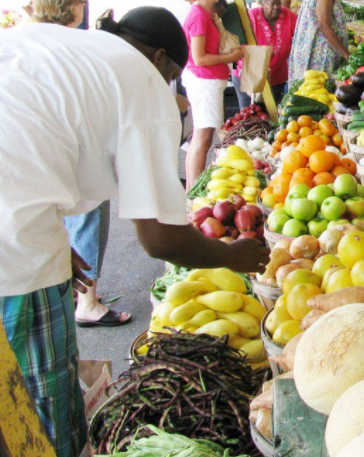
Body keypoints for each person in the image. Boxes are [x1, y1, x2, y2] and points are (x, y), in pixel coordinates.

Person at [0, 8, 270, 457]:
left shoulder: (54, 43)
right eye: (172, 75)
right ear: (161, 58)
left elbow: (27, 140)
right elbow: (159, 239)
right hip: (13, 247)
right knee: (40, 402)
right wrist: (233, 257)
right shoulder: (141, 80)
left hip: (16, 221)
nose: (170, 86)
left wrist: (46, 231)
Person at [31, 0, 132, 328]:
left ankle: (70, 291)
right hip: (74, 150)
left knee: (57, 223)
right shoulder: (75, 46)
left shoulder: (27, 41)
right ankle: (88, 302)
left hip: (38, 153)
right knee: (89, 217)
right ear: (75, 7)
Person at [182, 0, 244, 189]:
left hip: (207, 82)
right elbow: (199, 58)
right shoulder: (199, 15)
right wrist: (230, 58)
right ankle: (193, 193)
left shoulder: (205, 13)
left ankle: (190, 192)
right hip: (205, 83)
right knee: (203, 139)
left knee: (200, 138)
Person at [232, 0, 297, 109]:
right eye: (272, 4)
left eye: (278, 3)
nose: (276, 7)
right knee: (250, 112)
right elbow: (237, 44)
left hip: (276, 75)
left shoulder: (289, 16)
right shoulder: (250, 17)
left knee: (273, 113)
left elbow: (300, 37)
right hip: (250, 74)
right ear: (261, 3)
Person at [288, 0, 350, 81]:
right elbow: (324, 26)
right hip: (320, 54)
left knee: (307, 85)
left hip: (308, 50)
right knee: (318, 84)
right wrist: (346, 55)